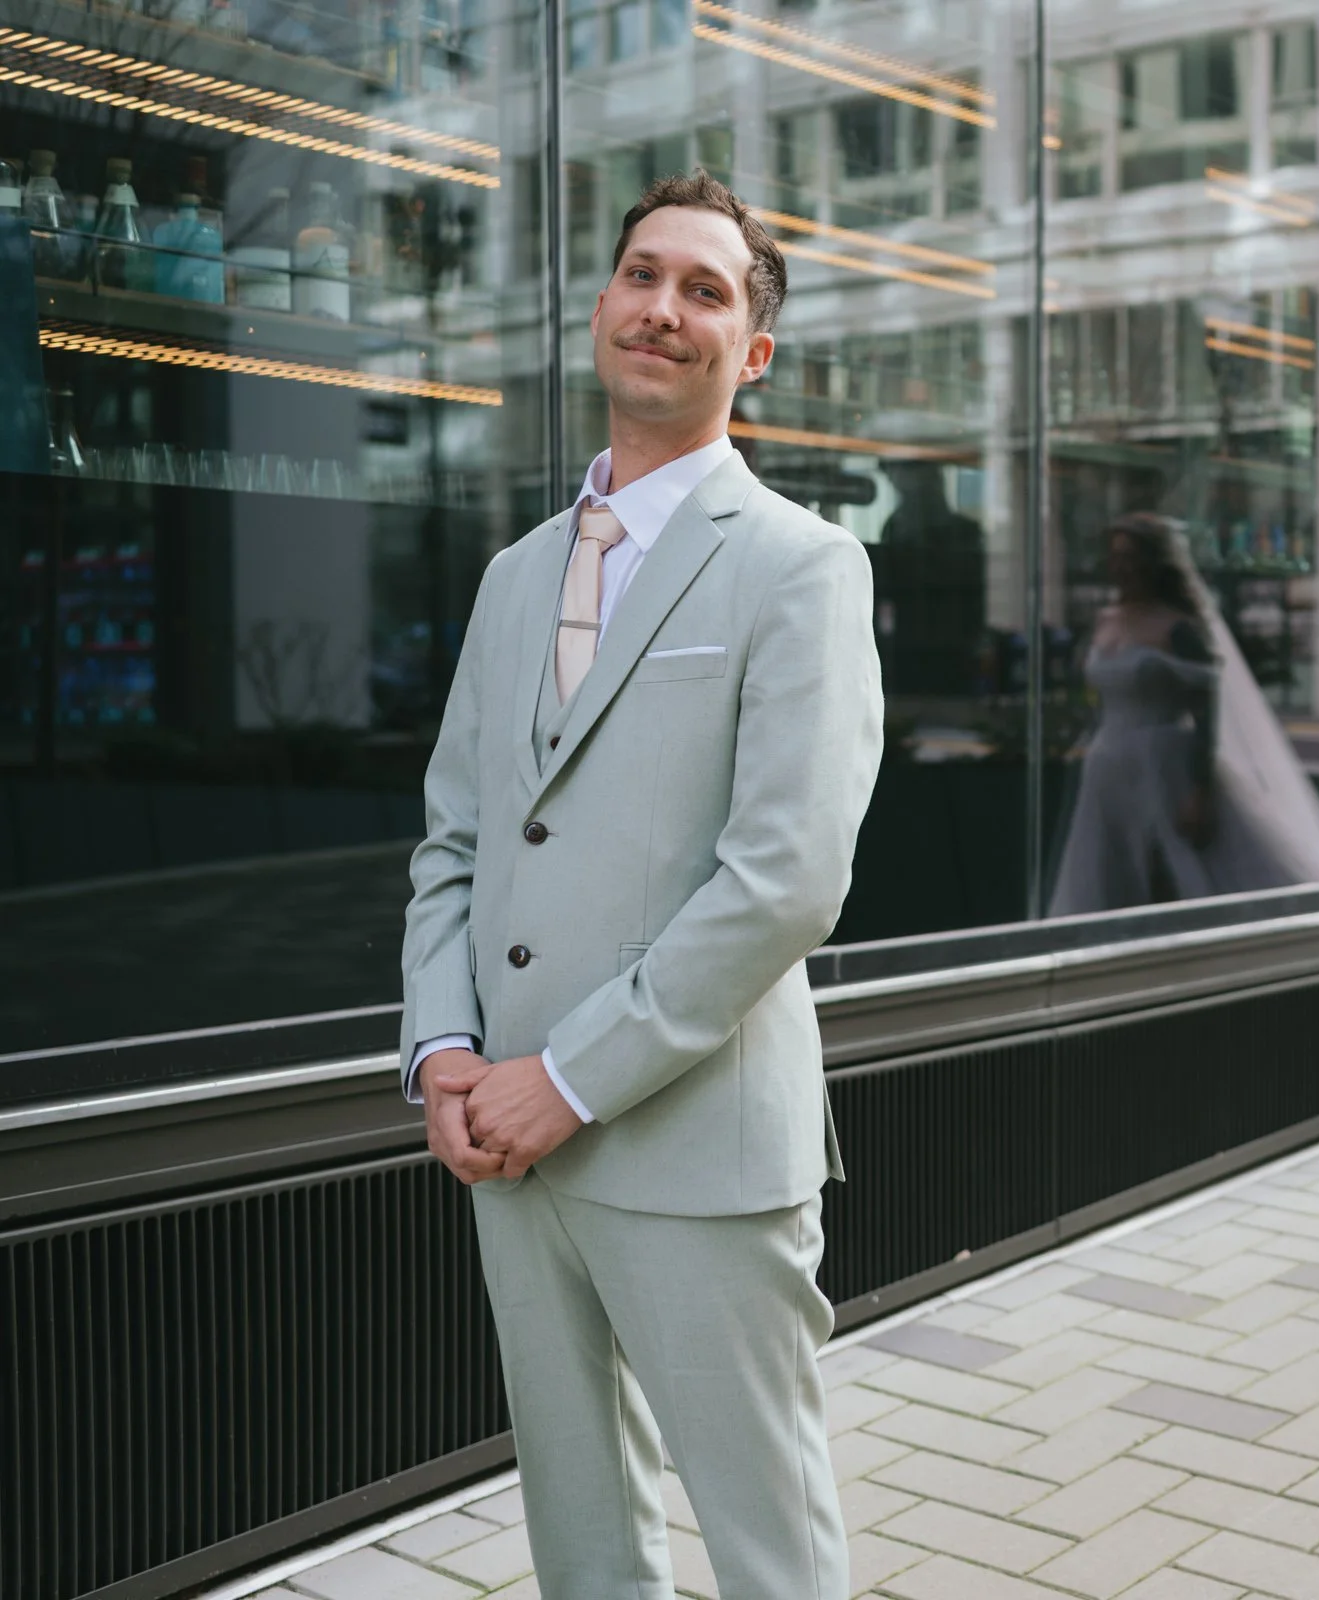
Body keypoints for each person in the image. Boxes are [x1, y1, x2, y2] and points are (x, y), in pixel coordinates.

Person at [397, 172, 880, 1598]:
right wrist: (444, 1048)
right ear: (602, 305)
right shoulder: (513, 576)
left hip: (691, 1147)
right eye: (641, 276)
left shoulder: (802, 566)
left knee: (770, 1551)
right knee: (585, 1544)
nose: (663, 308)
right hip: (505, 1142)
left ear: (753, 351)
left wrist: (570, 1077)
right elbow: (455, 840)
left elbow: (786, 880)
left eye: (704, 291)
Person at [1048, 512, 1319, 913]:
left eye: (1132, 557)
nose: (1123, 567)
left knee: (1169, 867)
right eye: (1116, 557)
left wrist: (1199, 788)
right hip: (1106, 765)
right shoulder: (1105, 621)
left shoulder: (1177, 628)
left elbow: (1206, 709)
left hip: (1163, 764)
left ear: (1154, 563)